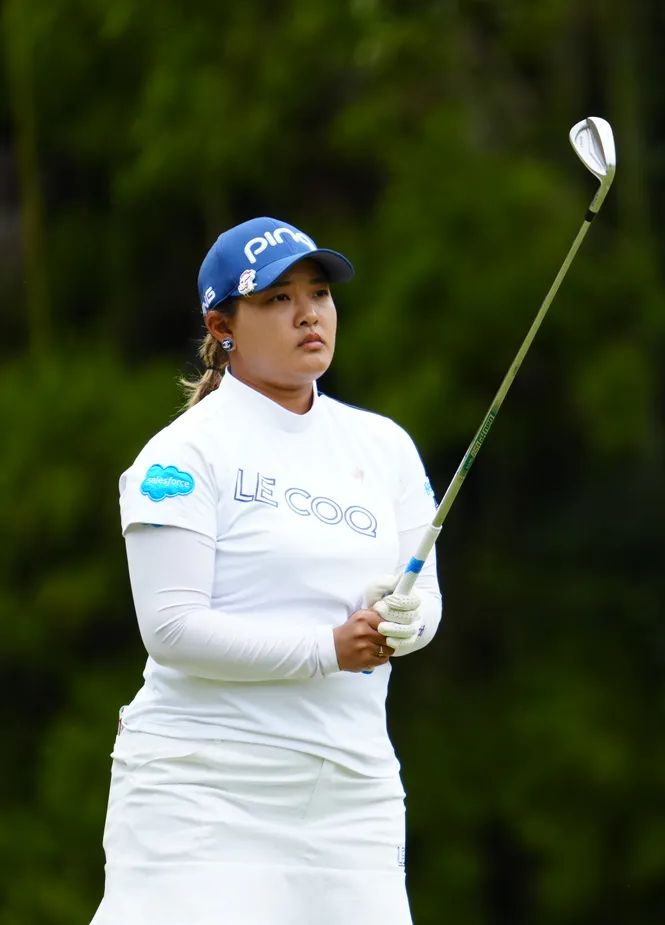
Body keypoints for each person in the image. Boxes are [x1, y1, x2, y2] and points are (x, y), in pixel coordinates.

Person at [90, 216, 444, 925]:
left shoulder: (385, 447)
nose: (308, 312)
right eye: (278, 298)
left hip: (350, 794)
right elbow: (171, 628)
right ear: (222, 326)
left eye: (319, 293)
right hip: (202, 790)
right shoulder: (182, 455)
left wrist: (405, 622)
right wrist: (328, 648)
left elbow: (425, 603)